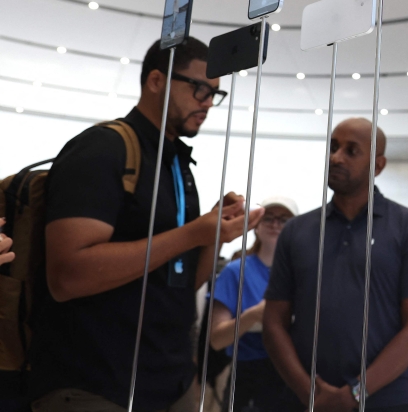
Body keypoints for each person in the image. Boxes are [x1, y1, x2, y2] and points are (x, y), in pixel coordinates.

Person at [29, 38, 260, 412]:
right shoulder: (103, 149)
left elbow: (185, 282)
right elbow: (67, 277)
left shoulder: (178, 165)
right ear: (156, 80)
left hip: (172, 381)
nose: (207, 102)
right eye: (199, 88)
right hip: (93, 384)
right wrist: (193, 232)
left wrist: (214, 233)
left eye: (215, 94)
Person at [263, 118, 408, 412]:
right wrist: (311, 394)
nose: (336, 157)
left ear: (378, 166)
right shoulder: (297, 230)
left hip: (389, 401)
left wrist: (356, 393)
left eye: (351, 151)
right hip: (305, 400)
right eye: (333, 148)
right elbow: (274, 323)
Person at [209, 196, 299, 411]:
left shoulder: (303, 273)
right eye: (268, 218)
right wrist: (255, 315)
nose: (275, 224)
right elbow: (217, 339)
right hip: (247, 375)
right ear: (256, 225)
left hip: (293, 374)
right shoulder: (235, 272)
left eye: (283, 219)